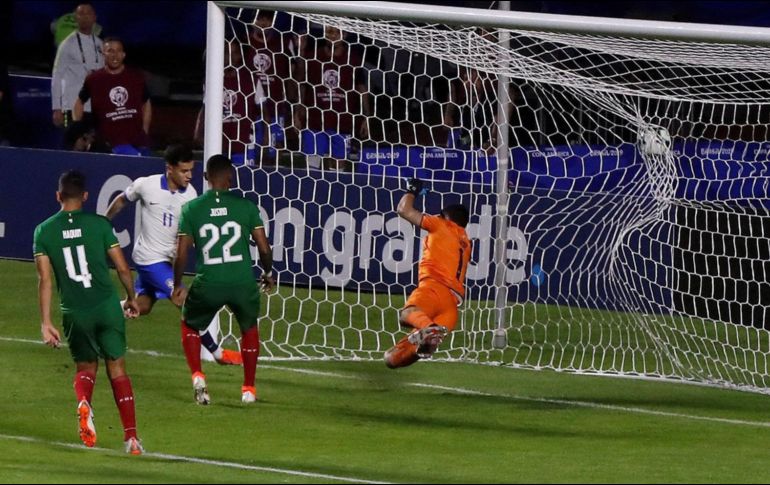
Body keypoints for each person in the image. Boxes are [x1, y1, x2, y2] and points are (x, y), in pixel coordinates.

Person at [33, 170, 144, 454]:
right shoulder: (99, 225)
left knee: (86, 368)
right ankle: (131, 438)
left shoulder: (43, 231)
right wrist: (131, 297)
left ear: (58, 196)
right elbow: (121, 267)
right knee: (117, 368)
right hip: (106, 307)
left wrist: (46, 323)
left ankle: (84, 403)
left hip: (75, 313)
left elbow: (44, 280)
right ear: (85, 196)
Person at [105, 143, 241, 365]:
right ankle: (217, 353)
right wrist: (104, 223)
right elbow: (122, 199)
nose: (189, 176)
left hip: (165, 262)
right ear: (170, 168)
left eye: (191, 171)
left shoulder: (191, 195)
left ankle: (99, 310)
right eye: (184, 171)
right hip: (149, 259)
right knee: (185, 300)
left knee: (142, 307)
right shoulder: (146, 185)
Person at [172, 154, 275, 404]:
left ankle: (198, 375)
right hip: (242, 282)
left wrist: (177, 284)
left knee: (189, 324)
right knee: (249, 330)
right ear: (231, 178)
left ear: (206, 177)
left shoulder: (191, 208)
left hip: (209, 282)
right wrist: (268, 272)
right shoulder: (246, 206)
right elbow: (263, 247)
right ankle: (248, 389)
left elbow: (181, 252)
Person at [384, 178, 472, 368]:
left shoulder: (441, 225)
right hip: (451, 309)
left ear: (445, 218)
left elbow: (403, 210)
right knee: (392, 358)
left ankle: (429, 329)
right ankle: (426, 340)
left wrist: (412, 190)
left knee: (407, 313)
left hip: (434, 290)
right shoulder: (466, 241)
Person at [295, 25, 370, 171]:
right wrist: (298, 110)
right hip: (315, 120)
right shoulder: (312, 55)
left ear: (345, 34)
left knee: (338, 167)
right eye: (329, 32)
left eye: (337, 32)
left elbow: (362, 88)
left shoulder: (353, 59)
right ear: (324, 34)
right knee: (312, 167)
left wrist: (366, 117)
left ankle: (336, 192)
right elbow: (301, 83)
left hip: (343, 121)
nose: (333, 35)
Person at [73, 37, 151, 155]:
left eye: (119, 51)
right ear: (103, 54)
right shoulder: (94, 79)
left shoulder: (136, 77)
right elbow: (79, 102)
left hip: (138, 141)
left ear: (124, 54)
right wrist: (78, 132)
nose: (115, 55)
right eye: (110, 51)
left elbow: (146, 102)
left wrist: (145, 130)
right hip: (109, 143)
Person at [194, 41, 261, 166]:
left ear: (240, 56)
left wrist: (264, 141)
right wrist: (199, 130)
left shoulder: (251, 80)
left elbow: (263, 111)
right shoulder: (212, 79)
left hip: (244, 142)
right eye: (226, 53)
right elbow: (205, 106)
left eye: (234, 53)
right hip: (219, 142)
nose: (230, 57)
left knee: (243, 180)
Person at [51, 4, 103, 130]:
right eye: (81, 14)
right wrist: (57, 107)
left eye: (88, 14)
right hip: (71, 106)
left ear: (94, 18)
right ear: (76, 18)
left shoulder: (100, 44)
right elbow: (57, 75)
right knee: (74, 145)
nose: (85, 17)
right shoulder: (67, 44)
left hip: (95, 106)